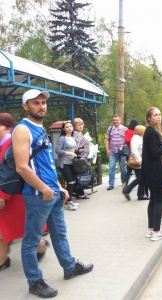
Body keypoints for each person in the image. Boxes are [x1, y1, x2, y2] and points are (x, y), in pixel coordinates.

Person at [13, 89, 93, 298]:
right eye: (35, 103)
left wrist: (59, 186)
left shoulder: (40, 129)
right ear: (25, 106)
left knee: (60, 234)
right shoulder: (22, 130)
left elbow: (46, 164)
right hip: (37, 195)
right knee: (31, 241)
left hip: (52, 193)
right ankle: (35, 281)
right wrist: (44, 189)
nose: (41, 106)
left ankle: (69, 266)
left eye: (43, 102)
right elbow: (22, 167)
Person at [0, 113, 49, 271]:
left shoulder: (10, 144)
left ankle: (40, 245)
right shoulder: (4, 143)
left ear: (7, 127)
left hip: (13, 195)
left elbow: (11, 173)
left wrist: (2, 195)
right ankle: (3, 259)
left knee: (20, 229)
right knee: (8, 231)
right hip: (9, 195)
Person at [141, 107, 162, 241]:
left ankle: (151, 229)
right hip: (156, 171)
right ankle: (157, 232)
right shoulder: (152, 132)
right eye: (155, 115)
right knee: (158, 200)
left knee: (153, 200)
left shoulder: (150, 131)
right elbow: (154, 153)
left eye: (159, 114)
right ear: (149, 118)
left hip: (150, 171)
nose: (158, 117)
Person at [55, 121, 80, 211]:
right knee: (70, 182)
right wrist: (69, 153)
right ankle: (67, 202)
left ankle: (68, 200)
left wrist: (77, 149)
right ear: (63, 129)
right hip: (64, 163)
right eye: (67, 127)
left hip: (72, 163)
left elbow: (73, 148)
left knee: (73, 181)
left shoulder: (72, 138)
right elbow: (57, 150)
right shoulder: (62, 138)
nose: (69, 128)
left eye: (70, 126)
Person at [122, 125, 147, 201]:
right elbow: (134, 150)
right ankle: (127, 190)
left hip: (140, 161)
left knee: (142, 178)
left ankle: (140, 194)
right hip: (138, 162)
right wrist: (139, 160)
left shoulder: (139, 138)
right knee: (140, 178)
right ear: (141, 131)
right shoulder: (136, 139)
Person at [105, 115, 127, 190]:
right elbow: (107, 139)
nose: (115, 121)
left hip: (122, 152)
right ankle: (111, 184)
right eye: (114, 120)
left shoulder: (124, 129)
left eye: (117, 120)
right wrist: (107, 149)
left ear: (120, 120)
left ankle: (124, 182)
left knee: (123, 167)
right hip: (112, 151)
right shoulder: (110, 129)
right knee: (111, 167)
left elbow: (127, 140)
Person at [72, 118, 90, 200]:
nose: (80, 126)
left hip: (82, 156)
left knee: (78, 174)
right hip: (80, 157)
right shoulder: (76, 135)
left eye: (81, 124)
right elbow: (76, 146)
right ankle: (79, 192)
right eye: (78, 125)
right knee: (80, 174)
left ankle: (77, 191)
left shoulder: (79, 134)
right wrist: (82, 149)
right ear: (75, 126)